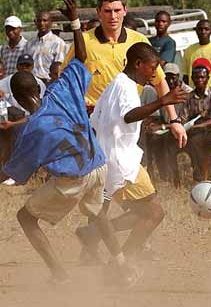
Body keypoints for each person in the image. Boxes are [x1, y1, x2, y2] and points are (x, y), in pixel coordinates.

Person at [0, 0, 140, 285]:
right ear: (37, 87)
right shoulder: (64, 89)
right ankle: (122, 266)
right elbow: (82, 58)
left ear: (18, 99)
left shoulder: (33, 130)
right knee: (99, 215)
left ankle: (59, 274)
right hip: (98, 165)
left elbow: (13, 172)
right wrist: (75, 21)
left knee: (25, 218)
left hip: (73, 179)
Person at [79, 42, 187, 267]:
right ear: (138, 64)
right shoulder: (126, 86)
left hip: (113, 159)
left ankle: (95, 233)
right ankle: (120, 261)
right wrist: (162, 101)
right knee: (154, 213)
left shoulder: (115, 84)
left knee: (144, 212)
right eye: (152, 67)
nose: (155, 73)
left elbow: (97, 120)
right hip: (122, 162)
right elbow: (128, 115)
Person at [61, 0, 187, 146]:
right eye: (107, 11)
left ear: (125, 11)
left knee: (135, 169)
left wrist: (174, 120)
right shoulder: (83, 42)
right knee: (96, 170)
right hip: (93, 123)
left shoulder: (139, 40)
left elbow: (159, 81)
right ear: (98, 12)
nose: (113, 16)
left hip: (131, 122)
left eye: (117, 10)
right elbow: (65, 80)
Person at [139, 63, 192, 186]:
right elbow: (158, 116)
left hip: (184, 130)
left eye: (173, 77)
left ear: (179, 77)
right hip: (166, 127)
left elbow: (183, 121)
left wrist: (163, 126)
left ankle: (168, 177)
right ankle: (151, 173)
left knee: (164, 140)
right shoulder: (161, 91)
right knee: (150, 136)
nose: (170, 80)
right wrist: (152, 124)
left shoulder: (187, 93)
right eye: (167, 77)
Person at [174, 59, 211, 183]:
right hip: (194, 131)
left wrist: (194, 126)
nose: (199, 80)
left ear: (208, 78)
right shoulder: (189, 96)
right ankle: (173, 177)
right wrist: (176, 124)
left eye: (202, 77)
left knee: (195, 141)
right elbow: (183, 117)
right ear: (192, 78)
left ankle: (200, 175)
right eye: (196, 78)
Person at [24, 11, 66, 83]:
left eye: (45, 20)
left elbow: (59, 67)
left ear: (51, 22)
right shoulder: (29, 44)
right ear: (35, 22)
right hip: (32, 83)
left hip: (49, 82)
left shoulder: (58, 43)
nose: (42, 23)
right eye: (39, 21)